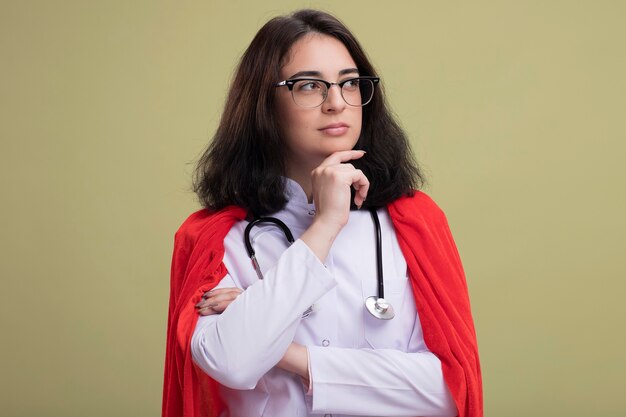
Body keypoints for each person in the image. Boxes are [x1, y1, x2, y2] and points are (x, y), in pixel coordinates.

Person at [163, 9, 482, 417]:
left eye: (349, 83)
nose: (337, 103)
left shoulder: (415, 224)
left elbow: (446, 390)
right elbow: (232, 361)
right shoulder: (215, 238)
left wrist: (283, 348)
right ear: (264, 103)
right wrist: (326, 225)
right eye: (310, 85)